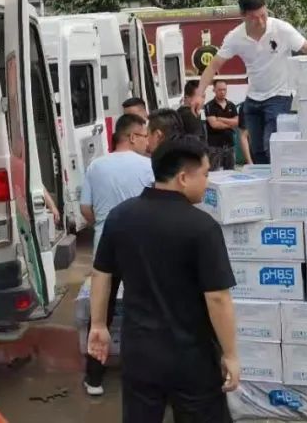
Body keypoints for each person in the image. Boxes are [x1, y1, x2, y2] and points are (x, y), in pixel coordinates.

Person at [87, 135, 239, 422]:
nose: (207, 182)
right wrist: (230, 354)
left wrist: (98, 324)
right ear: (183, 178)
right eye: (205, 174)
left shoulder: (121, 216)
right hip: (191, 357)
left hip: (140, 353)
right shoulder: (202, 227)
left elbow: (101, 272)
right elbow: (217, 298)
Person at [196, 0, 307, 164]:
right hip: (253, 99)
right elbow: (213, 66)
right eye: (254, 18)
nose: (261, 22)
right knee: (257, 151)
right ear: (243, 16)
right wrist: (199, 94)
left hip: (279, 95)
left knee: (271, 145)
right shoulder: (235, 37)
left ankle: (280, 175)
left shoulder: (281, 29)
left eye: (263, 15)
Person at [79, 113, 154, 396]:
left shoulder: (95, 166)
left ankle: (94, 378)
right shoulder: (149, 167)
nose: (147, 142)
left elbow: (86, 209)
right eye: (144, 136)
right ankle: (140, 374)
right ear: (132, 136)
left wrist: (102, 222)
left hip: (105, 249)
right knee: (143, 310)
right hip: (141, 248)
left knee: (101, 313)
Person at [204, 80, 238, 170]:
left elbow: (237, 122)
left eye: (224, 89)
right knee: (213, 172)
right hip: (214, 146)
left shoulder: (231, 105)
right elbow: (214, 124)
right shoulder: (209, 106)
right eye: (219, 90)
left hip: (230, 144)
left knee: (231, 172)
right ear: (214, 90)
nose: (222, 92)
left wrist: (221, 119)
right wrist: (230, 124)